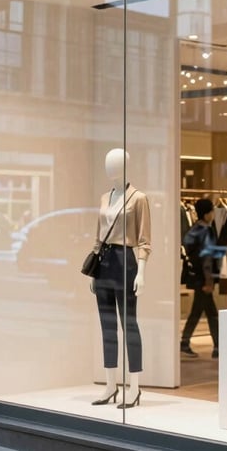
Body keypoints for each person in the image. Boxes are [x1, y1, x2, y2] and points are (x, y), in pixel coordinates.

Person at [91, 148, 151, 409]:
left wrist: (141, 272)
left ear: (125, 165)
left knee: (129, 324)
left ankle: (134, 387)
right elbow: (98, 235)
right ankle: (110, 385)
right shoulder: (105, 197)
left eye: (114, 163)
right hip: (103, 262)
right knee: (107, 325)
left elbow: (145, 240)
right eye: (107, 162)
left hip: (125, 261)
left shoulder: (138, 198)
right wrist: (94, 269)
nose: (109, 167)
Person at [180, 198, 222, 359]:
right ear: (206, 214)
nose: (213, 214)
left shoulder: (193, 229)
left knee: (198, 311)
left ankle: (185, 342)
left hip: (195, 276)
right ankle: (217, 347)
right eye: (211, 211)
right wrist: (209, 281)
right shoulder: (206, 231)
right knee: (211, 313)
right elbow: (207, 259)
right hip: (204, 279)